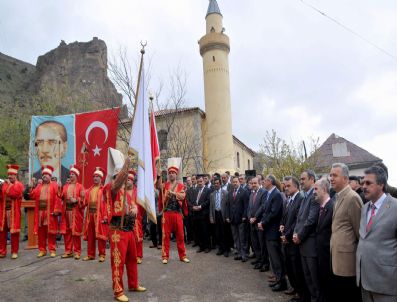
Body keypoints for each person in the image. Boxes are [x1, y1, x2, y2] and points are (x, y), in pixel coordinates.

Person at [103, 157, 146, 302]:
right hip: (117, 231)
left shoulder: (126, 193)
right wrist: (126, 166)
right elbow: (117, 183)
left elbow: (133, 207)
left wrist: (133, 210)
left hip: (129, 230)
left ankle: (133, 284)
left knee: (132, 259)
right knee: (117, 262)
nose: (125, 179)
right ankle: (118, 291)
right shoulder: (111, 188)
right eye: (123, 176)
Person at [356, 166, 397, 301]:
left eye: (368, 183)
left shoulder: (395, 207)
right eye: (363, 183)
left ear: (381, 184)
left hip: (387, 282)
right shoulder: (365, 208)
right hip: (365, 280)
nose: (364, 187)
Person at [329, 163, 362, 302]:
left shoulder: (352, 198)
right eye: (330, 175)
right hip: (337, 260)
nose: (331, 178)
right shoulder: (338, 197)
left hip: (347, 264)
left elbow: (359, 233)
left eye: (334, 175)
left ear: (345, 178)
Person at [293, 169, 320, 302]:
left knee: (314, 280)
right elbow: (299, 219)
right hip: (303, 243)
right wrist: (295, 233)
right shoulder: (305, 196)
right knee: (307, 278)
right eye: (300, 179)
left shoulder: (314, 196)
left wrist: (299, 236)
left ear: (312, 179)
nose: (301, 181)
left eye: (303, 179)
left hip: (310, 244)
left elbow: (311, 220)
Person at [258, 175, 286, 292]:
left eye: (265, 181)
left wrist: (263, 223)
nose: (263, 182)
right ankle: (277, 279)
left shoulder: (276, 194)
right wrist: (262, 222)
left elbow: (274, 213)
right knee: (273, 258)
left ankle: (281, 282)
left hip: (273, 232)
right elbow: (265, 210)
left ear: (270, 182)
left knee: (276, 258)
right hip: (268, 231)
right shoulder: (270, 193)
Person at [280, 176, 305, 301]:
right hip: (286, 238)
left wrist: (287, 235)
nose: (286, 188)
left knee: (296, 268)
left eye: (289, 186)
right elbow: (285, 216)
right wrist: (282, 225)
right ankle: (294, 288)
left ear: (296, 186)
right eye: (285, 185)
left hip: (293, 240)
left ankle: (300, 293)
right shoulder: (289, 199)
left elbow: (297, 220)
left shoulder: (300, 199)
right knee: (289, 266)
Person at [159, 165, 190, 264]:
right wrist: (158, 176)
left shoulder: (181, 186)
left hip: (177, 213)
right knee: (165, 236)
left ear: (176, 175)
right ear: (168, 175)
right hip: (167, 213)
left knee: (180, 235)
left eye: (173, 173)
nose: (171, 174)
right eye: (170, 173)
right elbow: (162, 198)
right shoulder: (164, 185)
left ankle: (183, 255)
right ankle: (165, 256)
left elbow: (182, 196)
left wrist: (172, 193)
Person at [30, 165, 62, 257]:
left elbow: (58, 198)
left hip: (50, 213)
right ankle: (42, 250)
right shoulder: (39, 186)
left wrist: (56, 210)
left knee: (51, 232)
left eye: (47, 175)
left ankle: (52, 249)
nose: (45, 176)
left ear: (50, 176)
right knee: (41, 232)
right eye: (43, 175)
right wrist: (32, 186)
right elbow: (32, 195)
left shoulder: (54, 185)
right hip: (40, 213)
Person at [314, 178, 334, 302]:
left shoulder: (332, 207)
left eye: (316, 189)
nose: (313, 192)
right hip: (321, 256)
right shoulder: (321, 207)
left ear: (325, 189)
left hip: (329, 259)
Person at [83, 167, 108, 262]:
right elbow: (84, 203)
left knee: (101, 236)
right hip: (90, 216)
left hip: (99, 216)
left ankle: (102, 254)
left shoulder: (103, 190)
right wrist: (82, 196)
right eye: (94, 176)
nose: (95, 178)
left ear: (101, 178)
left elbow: (106, 204)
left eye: (97, 176)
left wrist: (105, 215)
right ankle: (90, 254)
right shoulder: (89, 190)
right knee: (91, 236)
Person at [60, 165, 85, 259]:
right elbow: (61, 196)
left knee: (76, 233)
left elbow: (84, 201)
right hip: (66, 212)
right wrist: (59, 187)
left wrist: (78, 199)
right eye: (70, 174)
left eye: (73, 174)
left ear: (76, 176)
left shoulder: (80, 187)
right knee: (67, 233)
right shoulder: (66, 186)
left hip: (75, 213)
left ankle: (77, 251)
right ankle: (68, 250)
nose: (71, 175)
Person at [0, 165, 24, 259]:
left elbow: (14, 194)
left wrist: (7, 185)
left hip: (14, 212)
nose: (9, 176)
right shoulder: (5, 184)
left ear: (16, 176)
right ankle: (2, 251)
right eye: (9, 175)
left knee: (14, 233)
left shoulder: (19, 185)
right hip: (3, 212)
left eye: (12, 175)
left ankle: (14, 251)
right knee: (2, 232)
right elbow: (2, 197)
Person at [226, 176, 249, 262]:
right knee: (236, 238)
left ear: (239, 182)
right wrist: (227, 216)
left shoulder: (244, 192)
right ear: (231, 183)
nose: (235, 183)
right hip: (232, 219)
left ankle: (244, 255)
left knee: (242, 238)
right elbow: (228, 205)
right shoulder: (230, 192)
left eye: (236, 182)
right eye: (233, 182)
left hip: (241, 219)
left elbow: (246, 206)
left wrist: (244, 216)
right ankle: (239, 253)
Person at [247, 177, 268, 270]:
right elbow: (249, 208)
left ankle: (264, 263)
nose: (253, 185)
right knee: (255, 243)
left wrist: (255, 217)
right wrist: (249, 217)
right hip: (252, 223)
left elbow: (263, 206)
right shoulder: (252, 194)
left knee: (261, 244)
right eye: (252, 183)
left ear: (259, 183)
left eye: (255, 183)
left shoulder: (263, 192)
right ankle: (259, 259)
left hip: (259, 222)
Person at [125, 170, 145, 264]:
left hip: (136, 218)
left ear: (133, 181)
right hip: (125, 218)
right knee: (127, 237)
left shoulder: (138, 192)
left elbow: (142, 205)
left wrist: (137, 212)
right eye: (126, 180)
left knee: (138, 237)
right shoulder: (122, 192)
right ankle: (128, 255)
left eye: (129, 180)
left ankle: (138, 255)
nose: (127, 181)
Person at [209, 178, 231, 257]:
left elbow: (228, 206)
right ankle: (221, 248)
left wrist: (228, 216)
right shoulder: (212, 194)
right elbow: (211, 207)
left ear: (220, 184)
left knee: (225, 233)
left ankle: (226, 249)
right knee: (218, 233)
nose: (216, 185)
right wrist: (211, 217)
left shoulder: (226, 193)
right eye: (215, 183)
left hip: (223, 215)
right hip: (216, 214)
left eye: (218, 183)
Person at [191, 175, 211, 253]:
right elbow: (193, 200)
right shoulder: (195, 190)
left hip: (204, 214)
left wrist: (200, 206)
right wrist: (193, 207)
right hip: (196, 214)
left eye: (201, 181)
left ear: (204, 182)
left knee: (205, 231)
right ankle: (201, 246)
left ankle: (207, 247)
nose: (199, 183)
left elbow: (208, 201)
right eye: (198, 181)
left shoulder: (208, 190)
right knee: (198, 231)